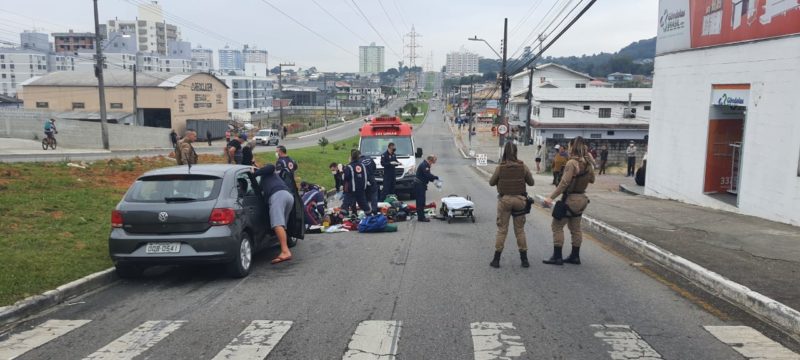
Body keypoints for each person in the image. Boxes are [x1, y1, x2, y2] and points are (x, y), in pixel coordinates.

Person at [543, 136, 596, 266]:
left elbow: (564, 183)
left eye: (569, 145)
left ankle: (557, 257)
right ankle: (575, 256)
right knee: (575, 228)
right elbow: (592, 180)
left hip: (570, 199)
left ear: (572, 147)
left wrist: (551, 197)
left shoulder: (572, 163)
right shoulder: (588, 163)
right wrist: (591, 164)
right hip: (582, 199)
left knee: (557, 226)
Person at [489, 142, 535, 268]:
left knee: (502, 230)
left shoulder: (500, 167)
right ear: (516, 152)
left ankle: (496, 260)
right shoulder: (523, 166)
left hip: (505, 201)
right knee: (520, 230)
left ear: (504, 152)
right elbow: (531, 182)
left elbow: (491, 182)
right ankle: (524, 260)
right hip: (520, 200)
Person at [252, 164, 294, 264]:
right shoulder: (265, 180)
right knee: (282, 225)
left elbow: (270, 166)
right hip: (288, 196)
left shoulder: (268, 172)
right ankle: (285, 246)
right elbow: (259, 191)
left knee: (277, 224)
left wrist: (255, 173)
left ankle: (285, 251)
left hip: (278, 195)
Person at [342, 150, 371, 215]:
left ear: (351, 157)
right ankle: (370, 218)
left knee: (345, 205)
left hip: (351, 190)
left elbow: (345, 178)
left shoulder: (349, 167)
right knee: (364, 205)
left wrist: (342, 171)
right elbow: (367, 175)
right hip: (361, 190)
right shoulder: (363, 166)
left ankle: (340, 219)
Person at [414, 155, 439, 222]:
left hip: (421, 185)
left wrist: (434, 180)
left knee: (421, 201)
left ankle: (421, 216)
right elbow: (427, 175)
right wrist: (435, 177)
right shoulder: (425, 165)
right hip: (419, 185)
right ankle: (421, 217)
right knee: (420, 201)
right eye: (432, 162)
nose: (432, 164)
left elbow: (427, 176)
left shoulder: (425, 164)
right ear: (430, 160)